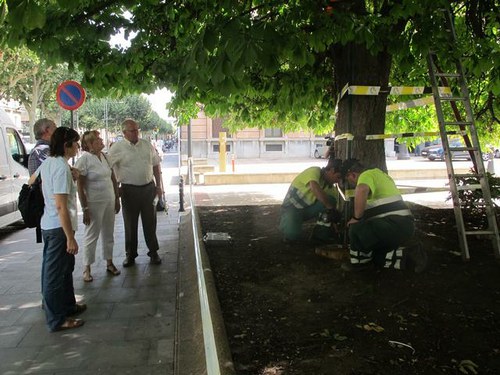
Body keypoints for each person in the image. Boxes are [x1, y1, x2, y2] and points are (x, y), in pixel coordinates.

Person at [34, 126, 86, 332]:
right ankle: (56, 319)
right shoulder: (60, 167)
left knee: (64, 270)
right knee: (54, 274)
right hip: (58, 228)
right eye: (76, 143)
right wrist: (69, 238)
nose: (78, 147)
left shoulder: (49, 163)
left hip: (51, 225)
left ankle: (68, 306)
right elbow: (60, 206)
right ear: (67, 145)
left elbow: (33, 181)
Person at [341, 158, 427, 272]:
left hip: (396, 224)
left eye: (348, 180)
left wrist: (356, 218)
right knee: (377, 257)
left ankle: (359, 263)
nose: (351, 184)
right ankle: (409, 256)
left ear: (352, 175)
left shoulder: (366, 175)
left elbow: (361, 189)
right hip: (400, 226)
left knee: (356, 228)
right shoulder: (378, 174)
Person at [108, 119, 163, 267]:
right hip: (128, 190)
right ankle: (130, 255)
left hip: (148, 189)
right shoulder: (117, 148)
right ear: (124, 132)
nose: (136, 133)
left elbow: (156, 165)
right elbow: (108, 169)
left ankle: (153, 252)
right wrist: (115, 188)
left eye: (137, 129)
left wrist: (159, 186)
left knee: (150, 222)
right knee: (130, 224)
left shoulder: (146, 145)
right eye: (132, 130)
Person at [75, 130, 121, 282]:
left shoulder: (106, 157)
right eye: (97, 140)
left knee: (109, 232)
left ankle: (109, 262)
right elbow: (80, 186)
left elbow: (113, 179)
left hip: (109, 199)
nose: (101, 141)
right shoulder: (84, 160)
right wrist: (85, 208)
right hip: (94, 202)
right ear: (89, 145)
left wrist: (116, 198)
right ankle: (87, 268)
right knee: (91, 234)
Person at [279, 158, 343, 243]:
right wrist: (330, 208)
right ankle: (285, 222)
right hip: (291, 208)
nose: (338, 181)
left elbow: (331, 211)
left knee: (331, 200)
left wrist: (335, 223)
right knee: (292, 236)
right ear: (331, 170)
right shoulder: (314, 171)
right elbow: (314, 186)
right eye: (338, 177)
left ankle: (319, 236)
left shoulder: (331, 189)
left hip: (307, 211)